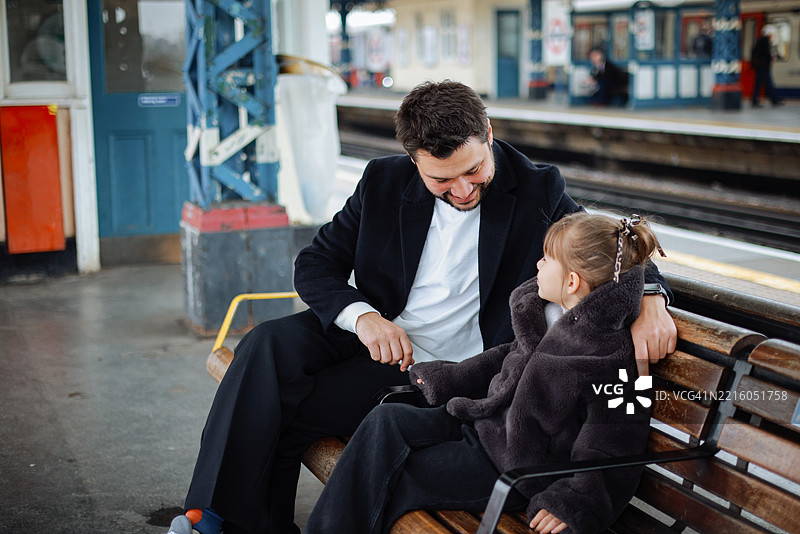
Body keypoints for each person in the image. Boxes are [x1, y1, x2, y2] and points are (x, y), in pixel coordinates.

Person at [167, 80, 676, 534]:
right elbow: (316, 263)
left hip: (446, 373)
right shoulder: (382, 182)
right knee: (266, 342)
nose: (463, 190)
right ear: (415, 161)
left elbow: (612, 248)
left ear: (489, 134)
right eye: (442, 180)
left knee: (283, 418)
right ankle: (211, 519)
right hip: (377, 341)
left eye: (474, 170)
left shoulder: (538, 188)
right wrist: (364, 318)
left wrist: (651, 298)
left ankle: (227, 523)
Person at [304, 212, 661, 534]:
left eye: (547, 258)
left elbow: (615, 441)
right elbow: (506, 358)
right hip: (485, 424)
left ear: (571, 282)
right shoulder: (547, 314)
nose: (537, 263)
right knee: (387, 418)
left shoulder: (611, 357)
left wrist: (577, 503)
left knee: (390, 478)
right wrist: (449, 378)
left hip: (515, 467)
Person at [750, 27, 783, 108]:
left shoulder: (760, 40)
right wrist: (771, 56)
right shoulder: (765, 41)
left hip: (760, 67)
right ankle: (773, 100)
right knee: (768, 83)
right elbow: (765, 53)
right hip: (763, 67)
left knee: (760, 84)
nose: (772, 35)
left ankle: (757, 100)